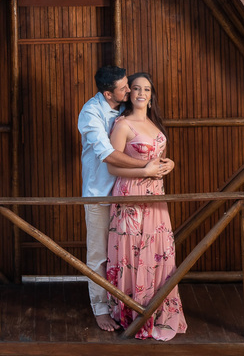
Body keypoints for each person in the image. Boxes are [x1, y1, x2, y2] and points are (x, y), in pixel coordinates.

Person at [105, 71, 186, 339]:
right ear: (130, 94)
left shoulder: (155, 125)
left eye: (147, 89)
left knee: (159, 251)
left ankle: (158, 308)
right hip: (131, 198)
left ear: (151, 97)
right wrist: (145, 172)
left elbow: (157, 158)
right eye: (137, 88)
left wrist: (169, 163)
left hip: (156, 197)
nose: (141, 93)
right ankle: (132, 310)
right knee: (132, 254)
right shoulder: (123, 125)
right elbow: (113, 167)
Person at [78, 65, 157, 332]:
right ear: (108, 93)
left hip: (128, 194)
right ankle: (100, 309)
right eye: (125, 87)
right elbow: (109, 155)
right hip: (100, 195)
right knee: (99, 254)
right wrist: (145, 167)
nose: (130, 90)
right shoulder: (90, 114)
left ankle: (125, 305)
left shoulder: (123, 109)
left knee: (127, 253)